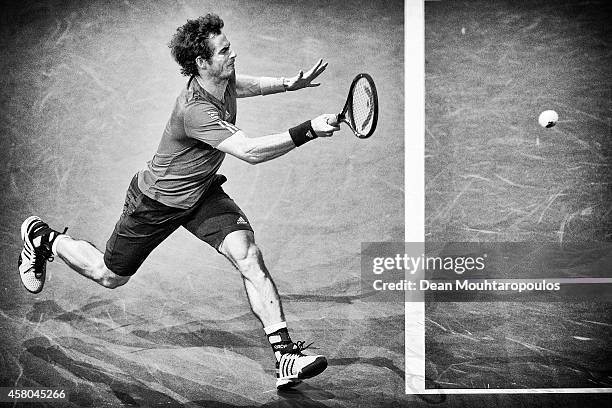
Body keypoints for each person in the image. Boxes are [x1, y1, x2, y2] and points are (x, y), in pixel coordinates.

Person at [18, 13, 340, 389]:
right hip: (155, 203)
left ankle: (285, 355)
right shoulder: (195, 110)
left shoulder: (220, 78)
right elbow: (250, 151)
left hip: (202, 192)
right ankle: (44, 238)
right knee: (108, 276)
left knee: (248, 255)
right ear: (202, 62)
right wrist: (309, 130)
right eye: (224, 51)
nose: (232, 55)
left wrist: (288, 84)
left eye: (229, 47)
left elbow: (242, 84)